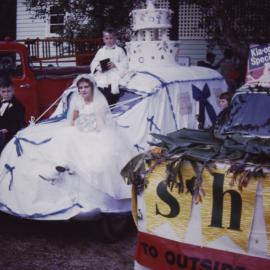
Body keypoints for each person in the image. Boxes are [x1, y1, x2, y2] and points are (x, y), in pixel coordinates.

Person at [0, 74, 135, 219]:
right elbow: (72, 120)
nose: (83, 90)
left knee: (96, 157)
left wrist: (90, 127)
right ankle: (53, 172)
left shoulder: (99, 103)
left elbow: (102, 124)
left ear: (92, 88)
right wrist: (78, 124)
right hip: (79, 130)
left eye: (86, 87)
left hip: (95, 132)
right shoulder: (77, 101)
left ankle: (85, 188)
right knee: (62, 142)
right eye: (80, 88)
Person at [90, 27, 128, 105]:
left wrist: (115, 65)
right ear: (103, 39)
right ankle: (99, 101)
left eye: (111, 38)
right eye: (107, 38)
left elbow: (125, 63)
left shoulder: (119, 50)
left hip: (114, 72)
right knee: (98, 85)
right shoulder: (101, 51)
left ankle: (110, 102)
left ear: (115, 38)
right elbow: (94, 62)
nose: (109, 40)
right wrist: (98, 67)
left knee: (111, 88)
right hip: (103, 73)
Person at [0, 76, 25, 152]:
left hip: (9, 135)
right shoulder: (1, 103)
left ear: (13, 91)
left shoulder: (18, 106)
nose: (6, 94)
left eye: (9, 91)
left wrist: (7, 130)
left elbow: (19, 124)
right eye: (3, 92)